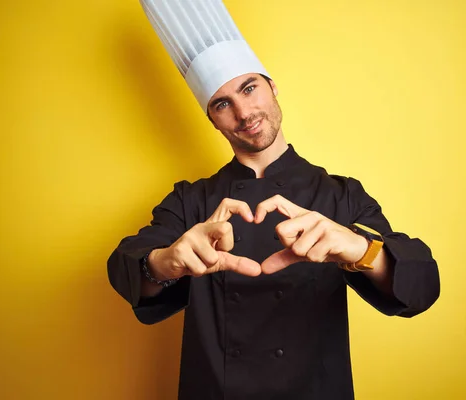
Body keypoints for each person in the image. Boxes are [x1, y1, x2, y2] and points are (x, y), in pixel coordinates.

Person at [107, 1, 440, 399]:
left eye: (249, 88)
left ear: (272, 85)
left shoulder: (340, 195)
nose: (244, 112)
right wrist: (167, 261)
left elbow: (422, 286)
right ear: (211, 119)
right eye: (222, 103)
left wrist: (358, 248)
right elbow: (124, 266)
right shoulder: (191, 200)